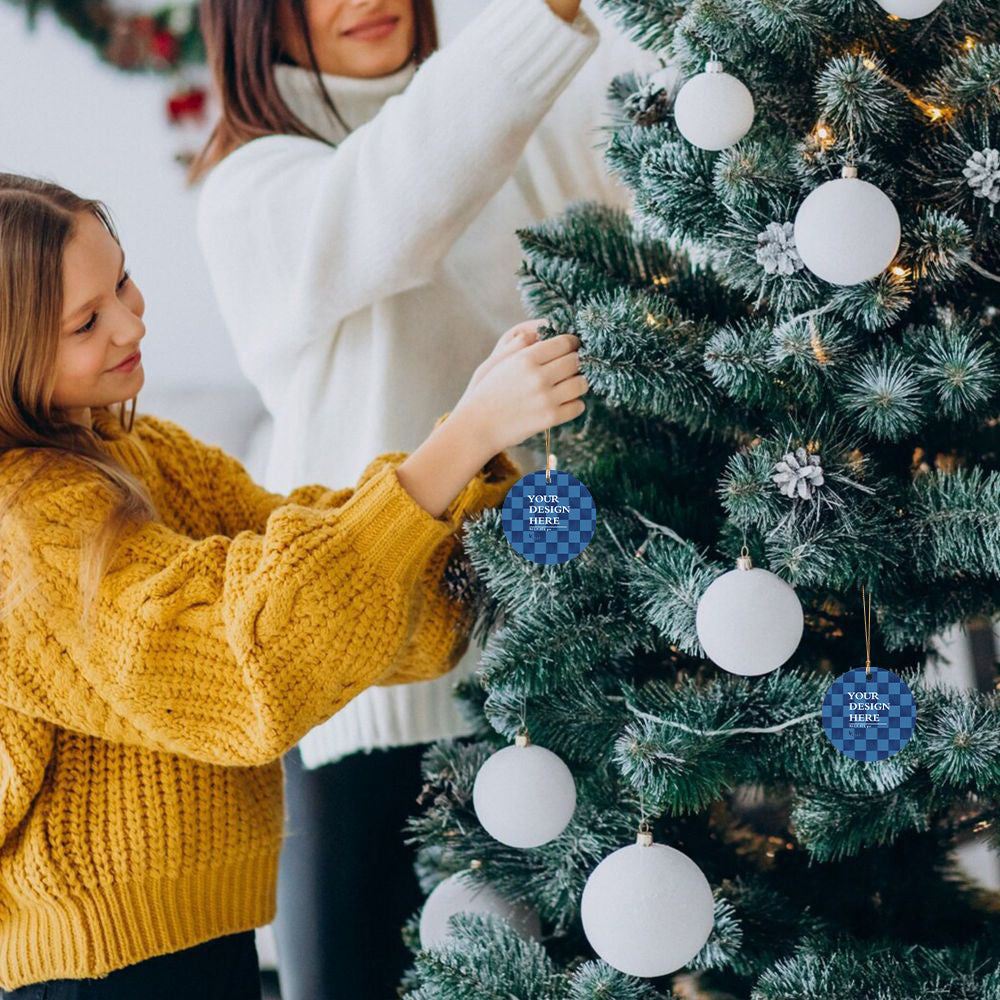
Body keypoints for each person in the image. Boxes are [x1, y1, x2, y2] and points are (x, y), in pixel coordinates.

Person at [0, 173, 587, 999]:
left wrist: (464, 461)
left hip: (202, 939)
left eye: (123, 282)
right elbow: (246, 667)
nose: (132, 322)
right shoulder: (26, 524)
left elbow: (315, 571)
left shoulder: (147, 451)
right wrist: (461, 438)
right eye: (86, 322)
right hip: (96, 971)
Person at [192, 1, 650, 994]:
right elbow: (397, 199)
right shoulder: (253, 187)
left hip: (557, 673)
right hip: (373, 707)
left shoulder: (516, 115)